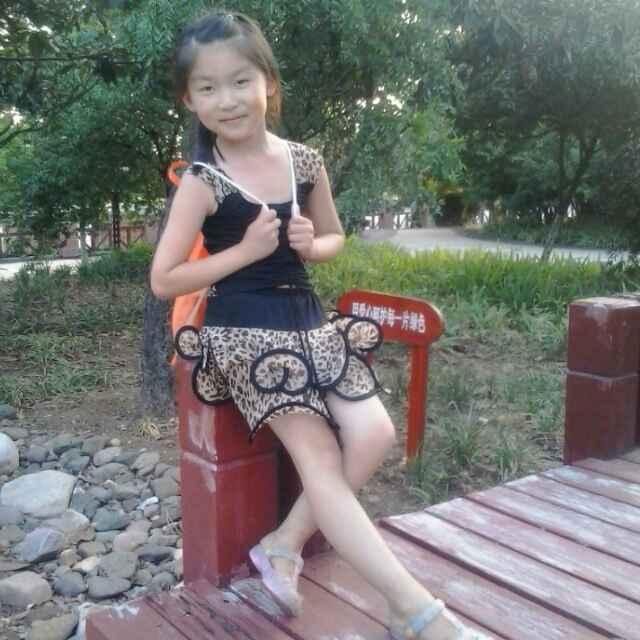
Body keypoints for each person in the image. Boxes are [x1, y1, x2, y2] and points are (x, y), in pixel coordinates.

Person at [150, 11, 492, 640]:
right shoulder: (201, 181)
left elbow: (336, 236)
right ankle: (413, 609)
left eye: (240, 81)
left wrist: (314, 244)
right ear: (190, 100)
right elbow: (165, 279)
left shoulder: (303, 161)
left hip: (307, 322)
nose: (227, 99)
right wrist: (245, 252)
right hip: (243, 331)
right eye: (208, 88)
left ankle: (283, 544)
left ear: (268, 84)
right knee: (321, 455)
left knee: (374, 433)